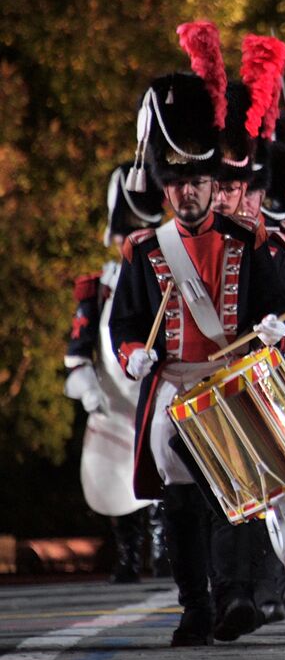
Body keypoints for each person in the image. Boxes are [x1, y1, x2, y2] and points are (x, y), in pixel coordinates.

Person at [110, 30, 285, 646]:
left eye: (197, 182)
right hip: (173, 386)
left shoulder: (244, 239)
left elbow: (277, 307)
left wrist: (283, 326)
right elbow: (123, 324)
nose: (188, 192)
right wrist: (134, 356)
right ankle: (194, 607)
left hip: (231, 381)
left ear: (210, 181)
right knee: (179, 498)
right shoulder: (144, 251)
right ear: (165, 184)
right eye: (175, 183)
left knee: (233, 486)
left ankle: (233, 598)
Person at [64, 166, 165, 582]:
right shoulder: (99, 288)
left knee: (164, 473)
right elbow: (77, 351)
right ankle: (127, 555)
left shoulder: (167, 277)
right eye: (128, 232)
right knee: (117, 482)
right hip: (115, 398)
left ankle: (165, 551)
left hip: (156, 391)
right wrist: (88, 389)